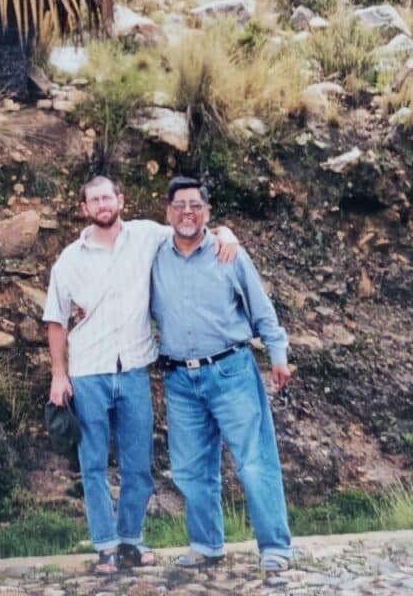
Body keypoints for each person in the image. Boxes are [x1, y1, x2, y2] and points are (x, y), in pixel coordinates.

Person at [43, 175, 238, 575]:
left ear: (121, 200)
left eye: (107, 197)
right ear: (84, 208)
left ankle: (130, 541)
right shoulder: (69, 259)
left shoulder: (147, 236)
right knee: (93, 464)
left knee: (139, 466)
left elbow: (189, 228)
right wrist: (59, 375)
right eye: (94, 200)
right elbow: (56, 320)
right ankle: (105, 547)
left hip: (133, 370)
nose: (102, 205)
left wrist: (224, 232)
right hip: (88, 372)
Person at [150, 176, 294, 574]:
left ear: (207, 212)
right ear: (168, 212)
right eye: (180, 205)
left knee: (254, 461)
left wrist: (278, 354)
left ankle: (275, 547)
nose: (187, 213)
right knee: (190, 469)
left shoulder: (228, 253)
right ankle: (206, 545)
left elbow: (261, 309)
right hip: (180, 380)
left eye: (196, 206)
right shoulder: (153, 256)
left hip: (231, 371)